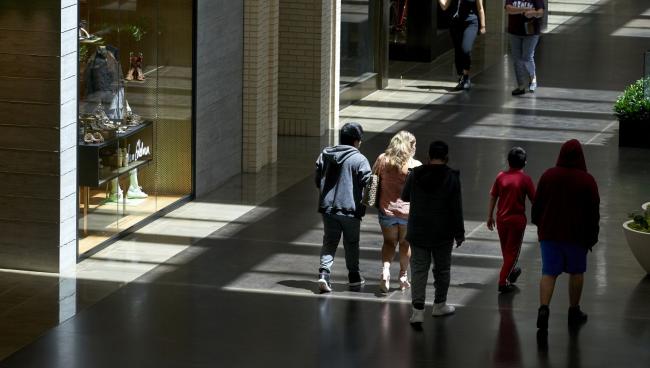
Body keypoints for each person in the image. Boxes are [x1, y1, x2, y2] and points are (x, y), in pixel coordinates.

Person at [531, 139, 600, 330]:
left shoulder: (548, 176)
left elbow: (537, 204)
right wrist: (592, 236)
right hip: (576, 236)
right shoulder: (587, 180)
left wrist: (539, 224)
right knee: (577, 273)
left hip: (550, 234)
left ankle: (543, 310)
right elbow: (593, 211)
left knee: (548, 272)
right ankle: (573, 311)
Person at [401, 141, 465, 323]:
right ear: (446, 157)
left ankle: (418, 311)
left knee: (419, 269)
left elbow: (404, 196)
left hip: (419, 230)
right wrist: (459, 233)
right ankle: (439, 305)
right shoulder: (452, 177)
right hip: (443, 232)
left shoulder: (416, 174)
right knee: (442, 269)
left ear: (428, 157)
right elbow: (456, 207)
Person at [315, 122, 372, 293]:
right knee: (352, 242)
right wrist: (366, 203)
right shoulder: (359, 159)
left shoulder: (325, 155)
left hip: (328, 208)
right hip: (350, 209)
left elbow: (318, 180)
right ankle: (353, 276)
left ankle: (324, 274)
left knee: (330, 240)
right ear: (355, 141)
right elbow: (368, 183)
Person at [372, 131, 422, 293]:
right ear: (408, 146)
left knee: (388, 242)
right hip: (408, 214)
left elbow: (373, 179)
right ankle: (402, 276)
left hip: (387, 212)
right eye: (413, 144)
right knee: (405, 243)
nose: (415, 147)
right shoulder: (416, 166)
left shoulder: (382, 159)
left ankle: (385, 271)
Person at [487, 147, 536, 294]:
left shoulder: (500, 176)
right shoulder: (525, 179)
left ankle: (511, 271)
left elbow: (493, 196)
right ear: (525, 163)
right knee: (512, 252)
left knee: (506, 249)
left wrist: (489, 216)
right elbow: (535, 200)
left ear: (508, 161)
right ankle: (502, 281)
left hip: (501, 219)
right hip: (517, 221)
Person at [438, 0, 487, 90]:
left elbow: (480, 8)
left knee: (466, 49)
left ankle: (466, 76)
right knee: (458, 51)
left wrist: (483, 26)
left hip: (471, 23)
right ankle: (462, 77)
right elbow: (444, 6)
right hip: (456, 24)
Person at [505, 0, 545, 95]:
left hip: (531, 32)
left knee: (527, 57)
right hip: (514, 32)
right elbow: (508, 9)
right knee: (517, 60)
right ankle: (521, 86)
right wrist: (525, 9)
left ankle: (532, 78)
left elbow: (541, 12)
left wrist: (533, 13)